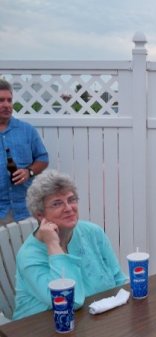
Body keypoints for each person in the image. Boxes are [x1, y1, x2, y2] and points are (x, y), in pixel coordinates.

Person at [13, 170, 127, 320]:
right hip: (43, 326)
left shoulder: (93, 232)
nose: (68, 208)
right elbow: (69, 302)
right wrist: (53, 244)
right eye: (57, 203)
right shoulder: (29, 255)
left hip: (96, 320)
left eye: (71, 200)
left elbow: (119, 280)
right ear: (40, 215)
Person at [0, 78, 49, 226]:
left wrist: (29, 172)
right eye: (1, 100)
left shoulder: (27, 130)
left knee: (31, 249)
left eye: (9, 100)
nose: (6, 105)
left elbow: (43, 158)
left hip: (26, 210)